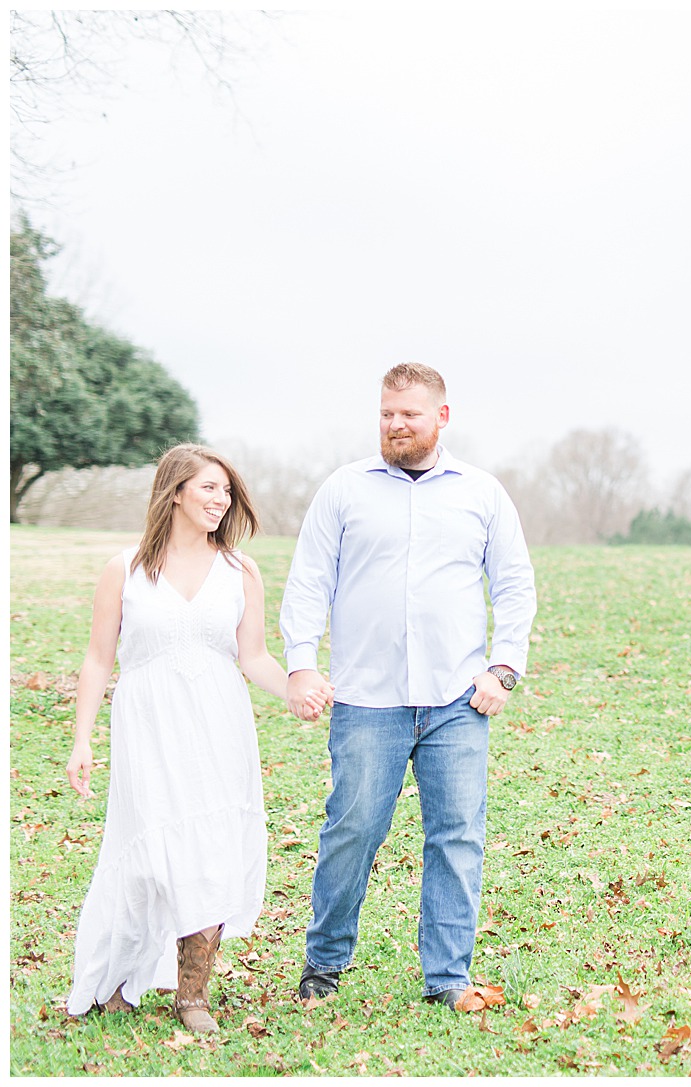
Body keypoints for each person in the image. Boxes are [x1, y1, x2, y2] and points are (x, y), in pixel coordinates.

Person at [281, 362, 537, 1010]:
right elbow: (309, 579)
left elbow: (513, 584)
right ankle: (324, 963)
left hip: (458, 698)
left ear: (441, 417)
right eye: (387, 413)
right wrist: (302, 661)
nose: (396, 425)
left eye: (410, 414)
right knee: (353, 829)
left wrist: (504, 666)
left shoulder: (481, 492)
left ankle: (448, 976)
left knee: (456, 834)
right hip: (368, 699)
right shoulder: (345, 489)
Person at [65, 444, 331, 1032]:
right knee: (147, 852)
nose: (221, 500)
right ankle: (123, 973)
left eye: (227, 492)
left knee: (209, 849)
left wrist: (293, 688)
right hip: (148, 724)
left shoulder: (240, 570)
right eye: (209, 488)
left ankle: (192, 994)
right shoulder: (126, 569)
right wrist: (82, 741)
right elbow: (96, 661)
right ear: (175, 491)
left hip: (218, 723)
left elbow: (253, 656)